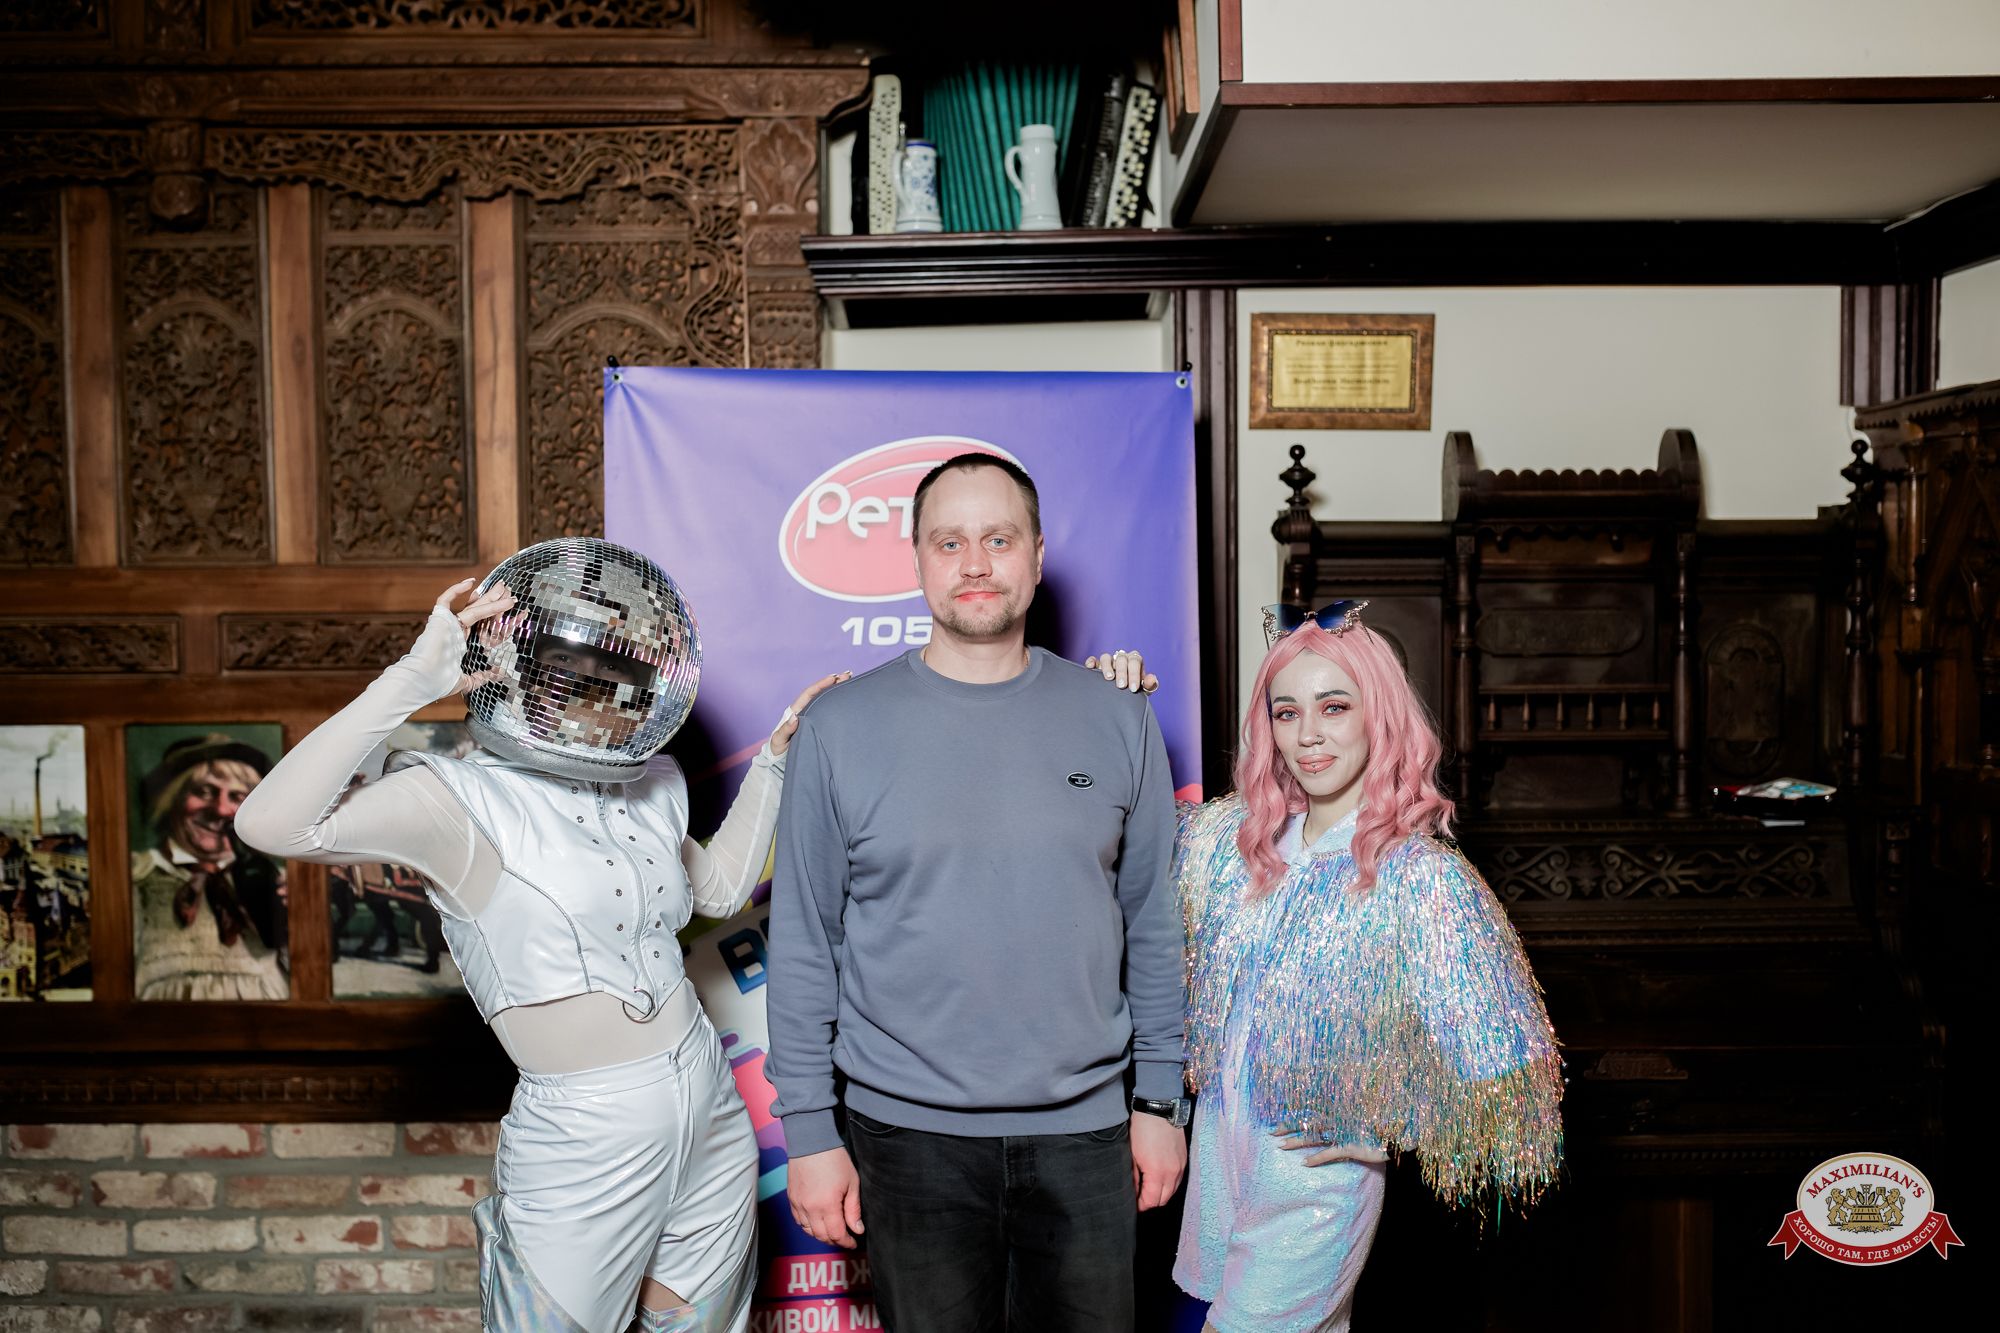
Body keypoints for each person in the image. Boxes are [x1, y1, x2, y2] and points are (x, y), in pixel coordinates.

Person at [238, 538, 843, 1333]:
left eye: (617, 670)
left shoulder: (653, 783)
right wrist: (412, 681)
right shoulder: (454, 800)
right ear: (519, 668)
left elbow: (722, 889)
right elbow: (271, 823)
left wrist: (772, 764)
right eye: (570, 667)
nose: (596, 688)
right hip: (582, 1134)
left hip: (711, 1109)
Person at [766, 454, 1188, 1333]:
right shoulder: (838, 730)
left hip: (1087, 1136)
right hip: (905, 1141)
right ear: (917, 558)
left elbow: (1153, 924)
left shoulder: (1120, 718)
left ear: (1037, 555)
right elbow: (806, 941)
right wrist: (809, 1131)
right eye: (948, 541)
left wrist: (1159, 1102)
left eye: (998, 539)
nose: (974, 563)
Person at [1172, 600, 1563, 1333]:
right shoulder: (1228, 844)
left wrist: (1397, 1126)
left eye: (1334, 706)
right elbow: (1113, 843)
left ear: (1377, 715)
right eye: (1287, 712)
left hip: (1314, 1188)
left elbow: (1518, 1078)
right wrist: (1117, 709)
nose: (1308, 735)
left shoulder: (1420, 878)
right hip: (1219, 1178)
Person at [131, 735, 288, 1001]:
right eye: (204, 792)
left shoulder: (277, 881)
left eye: (237, 797)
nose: (221, 810)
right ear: (171, 799)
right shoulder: (135, 876)